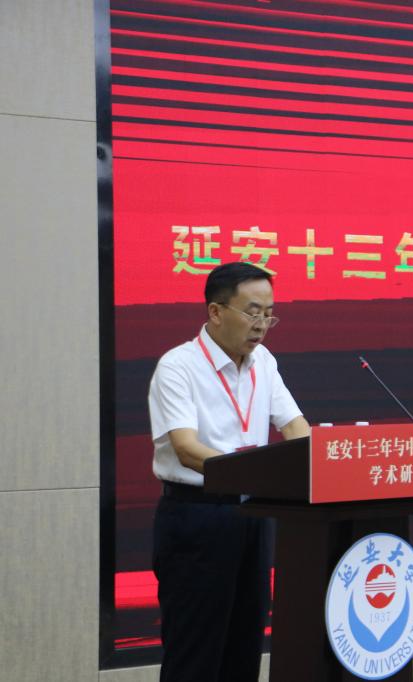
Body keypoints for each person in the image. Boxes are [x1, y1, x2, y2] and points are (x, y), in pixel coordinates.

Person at [148, 262, 311, 681]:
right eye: (252, 312)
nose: (262, 325)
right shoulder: (178, 366)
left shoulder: (264, 362)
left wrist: (317, 461)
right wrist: (255, 475)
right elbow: (185, 448)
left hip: (253, 516)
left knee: (244, 647)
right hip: (196, 518)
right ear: (216, 312)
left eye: (269, 314)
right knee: (195, 654)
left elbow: (295, 426)